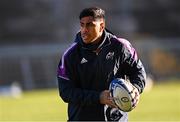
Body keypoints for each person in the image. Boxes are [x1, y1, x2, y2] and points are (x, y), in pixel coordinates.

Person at [57, 7, 146, 121]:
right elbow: (66, 92)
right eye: (82, 25)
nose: (84, 30)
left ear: (102, 26)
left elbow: (138, 71)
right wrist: (99, 97)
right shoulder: (69, 55)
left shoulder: (121, 46)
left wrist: (135, 89)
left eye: (90, 25)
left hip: (116, 119)